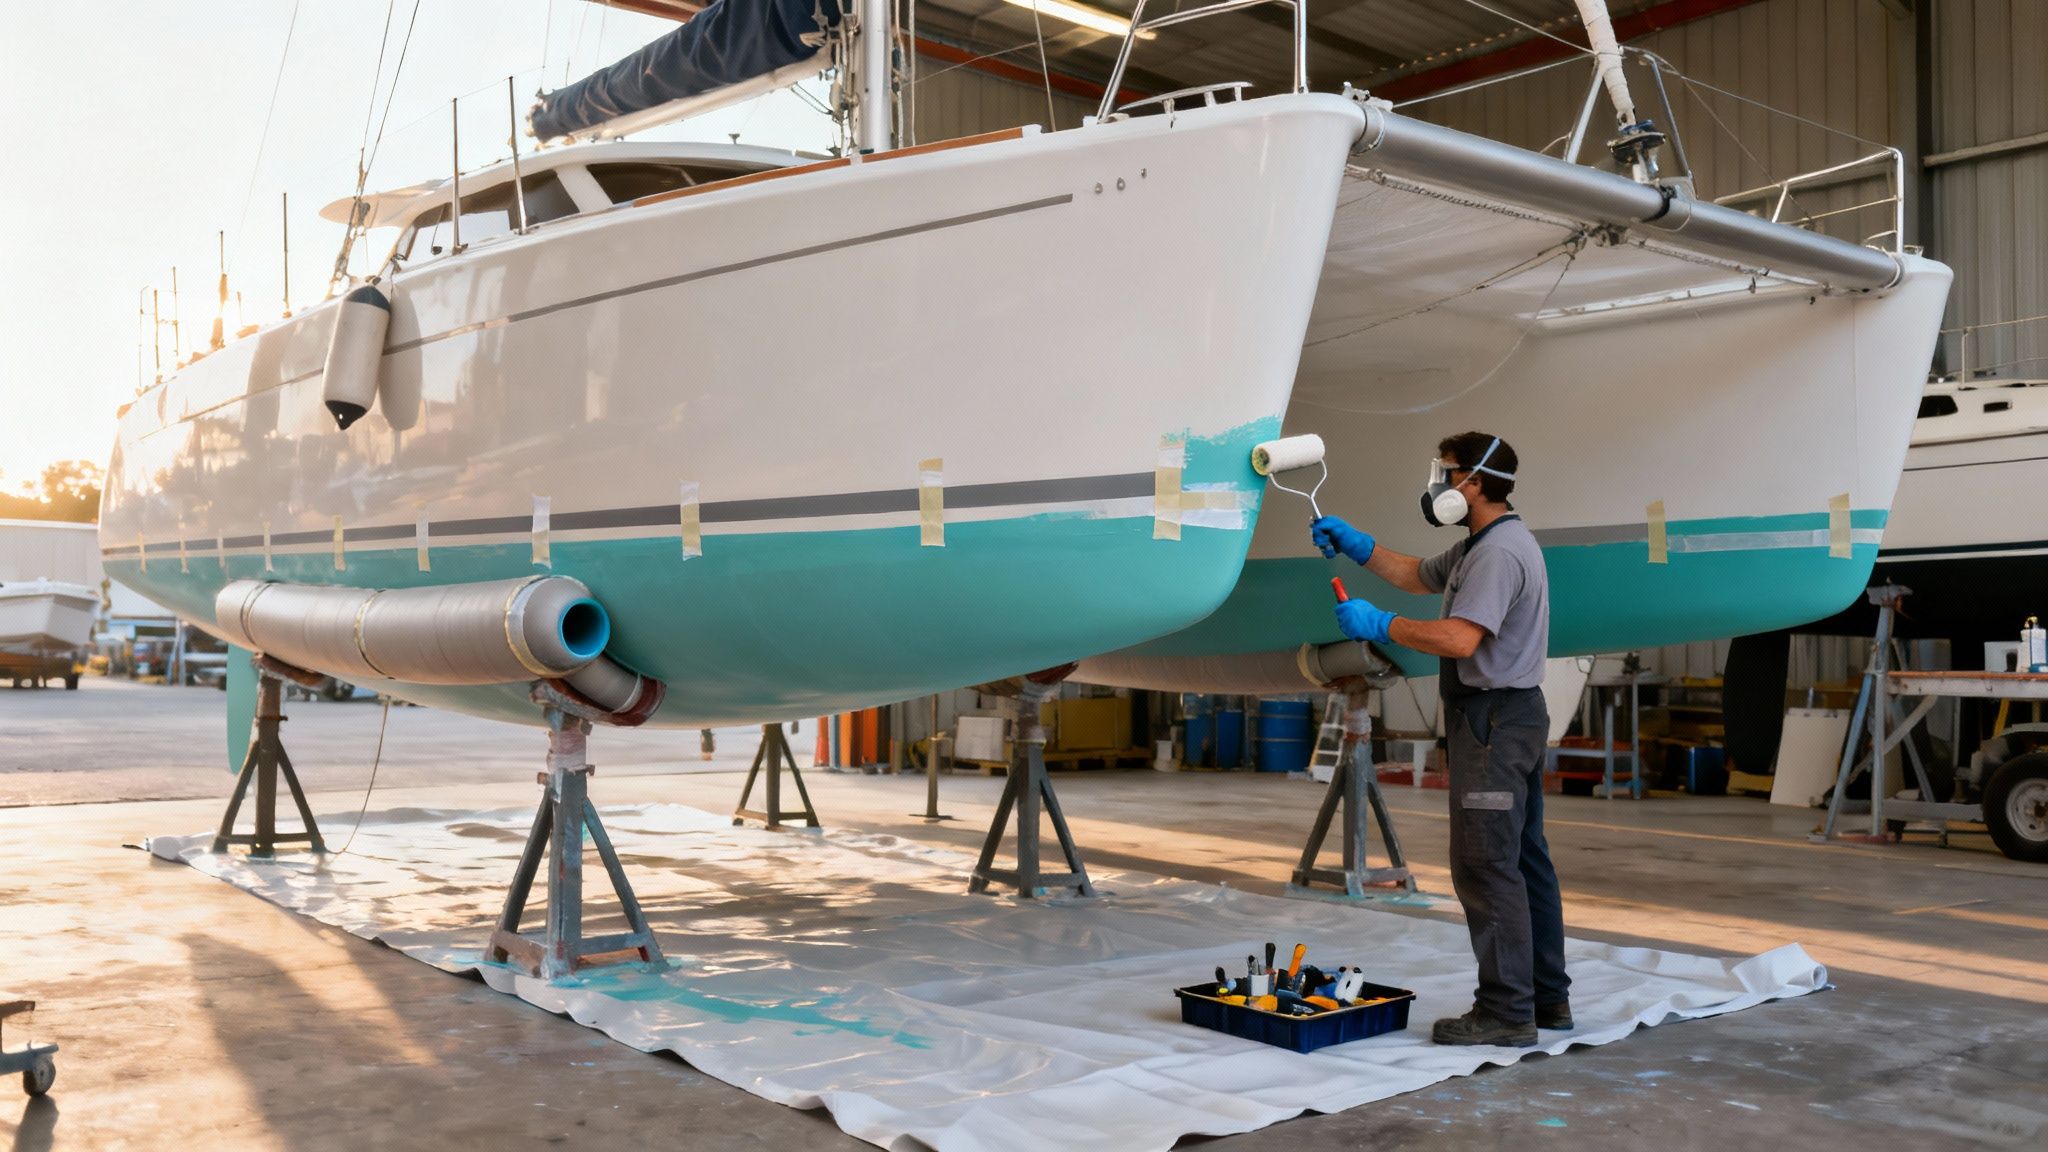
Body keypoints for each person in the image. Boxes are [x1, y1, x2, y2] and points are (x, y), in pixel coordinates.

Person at [1309, 431, 1569, 1047]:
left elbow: (1459, 640)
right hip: (1509, 716)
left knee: (1486, 865)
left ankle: (1507, 1013)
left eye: (1447, 474)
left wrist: (1381, 625)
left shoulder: (1500, 554)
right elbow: (1417, 574)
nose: (1438, 485)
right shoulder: (1479, 546)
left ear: (1474, 484)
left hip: (1494, 723)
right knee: (1524, 860)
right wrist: (1359, 546)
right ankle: (1546, 999)